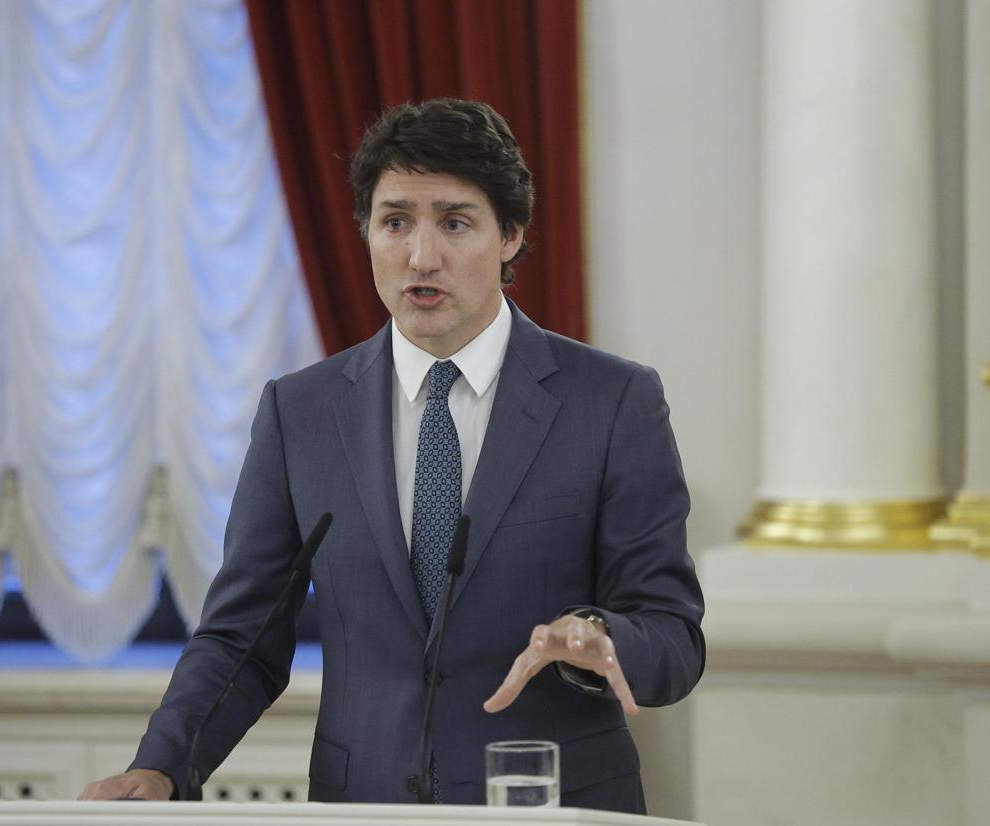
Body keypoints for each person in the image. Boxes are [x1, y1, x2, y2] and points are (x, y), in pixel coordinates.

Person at [80, 98, 704, 812]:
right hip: (363, 804)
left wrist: (607, 638)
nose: (420, 257)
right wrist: (162, 765)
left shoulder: (613, 401)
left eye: (455, 222)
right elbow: (241, 638)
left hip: (549, 803)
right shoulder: (301, 412)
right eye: (396, 220)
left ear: (512, 236)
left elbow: (673, 633)